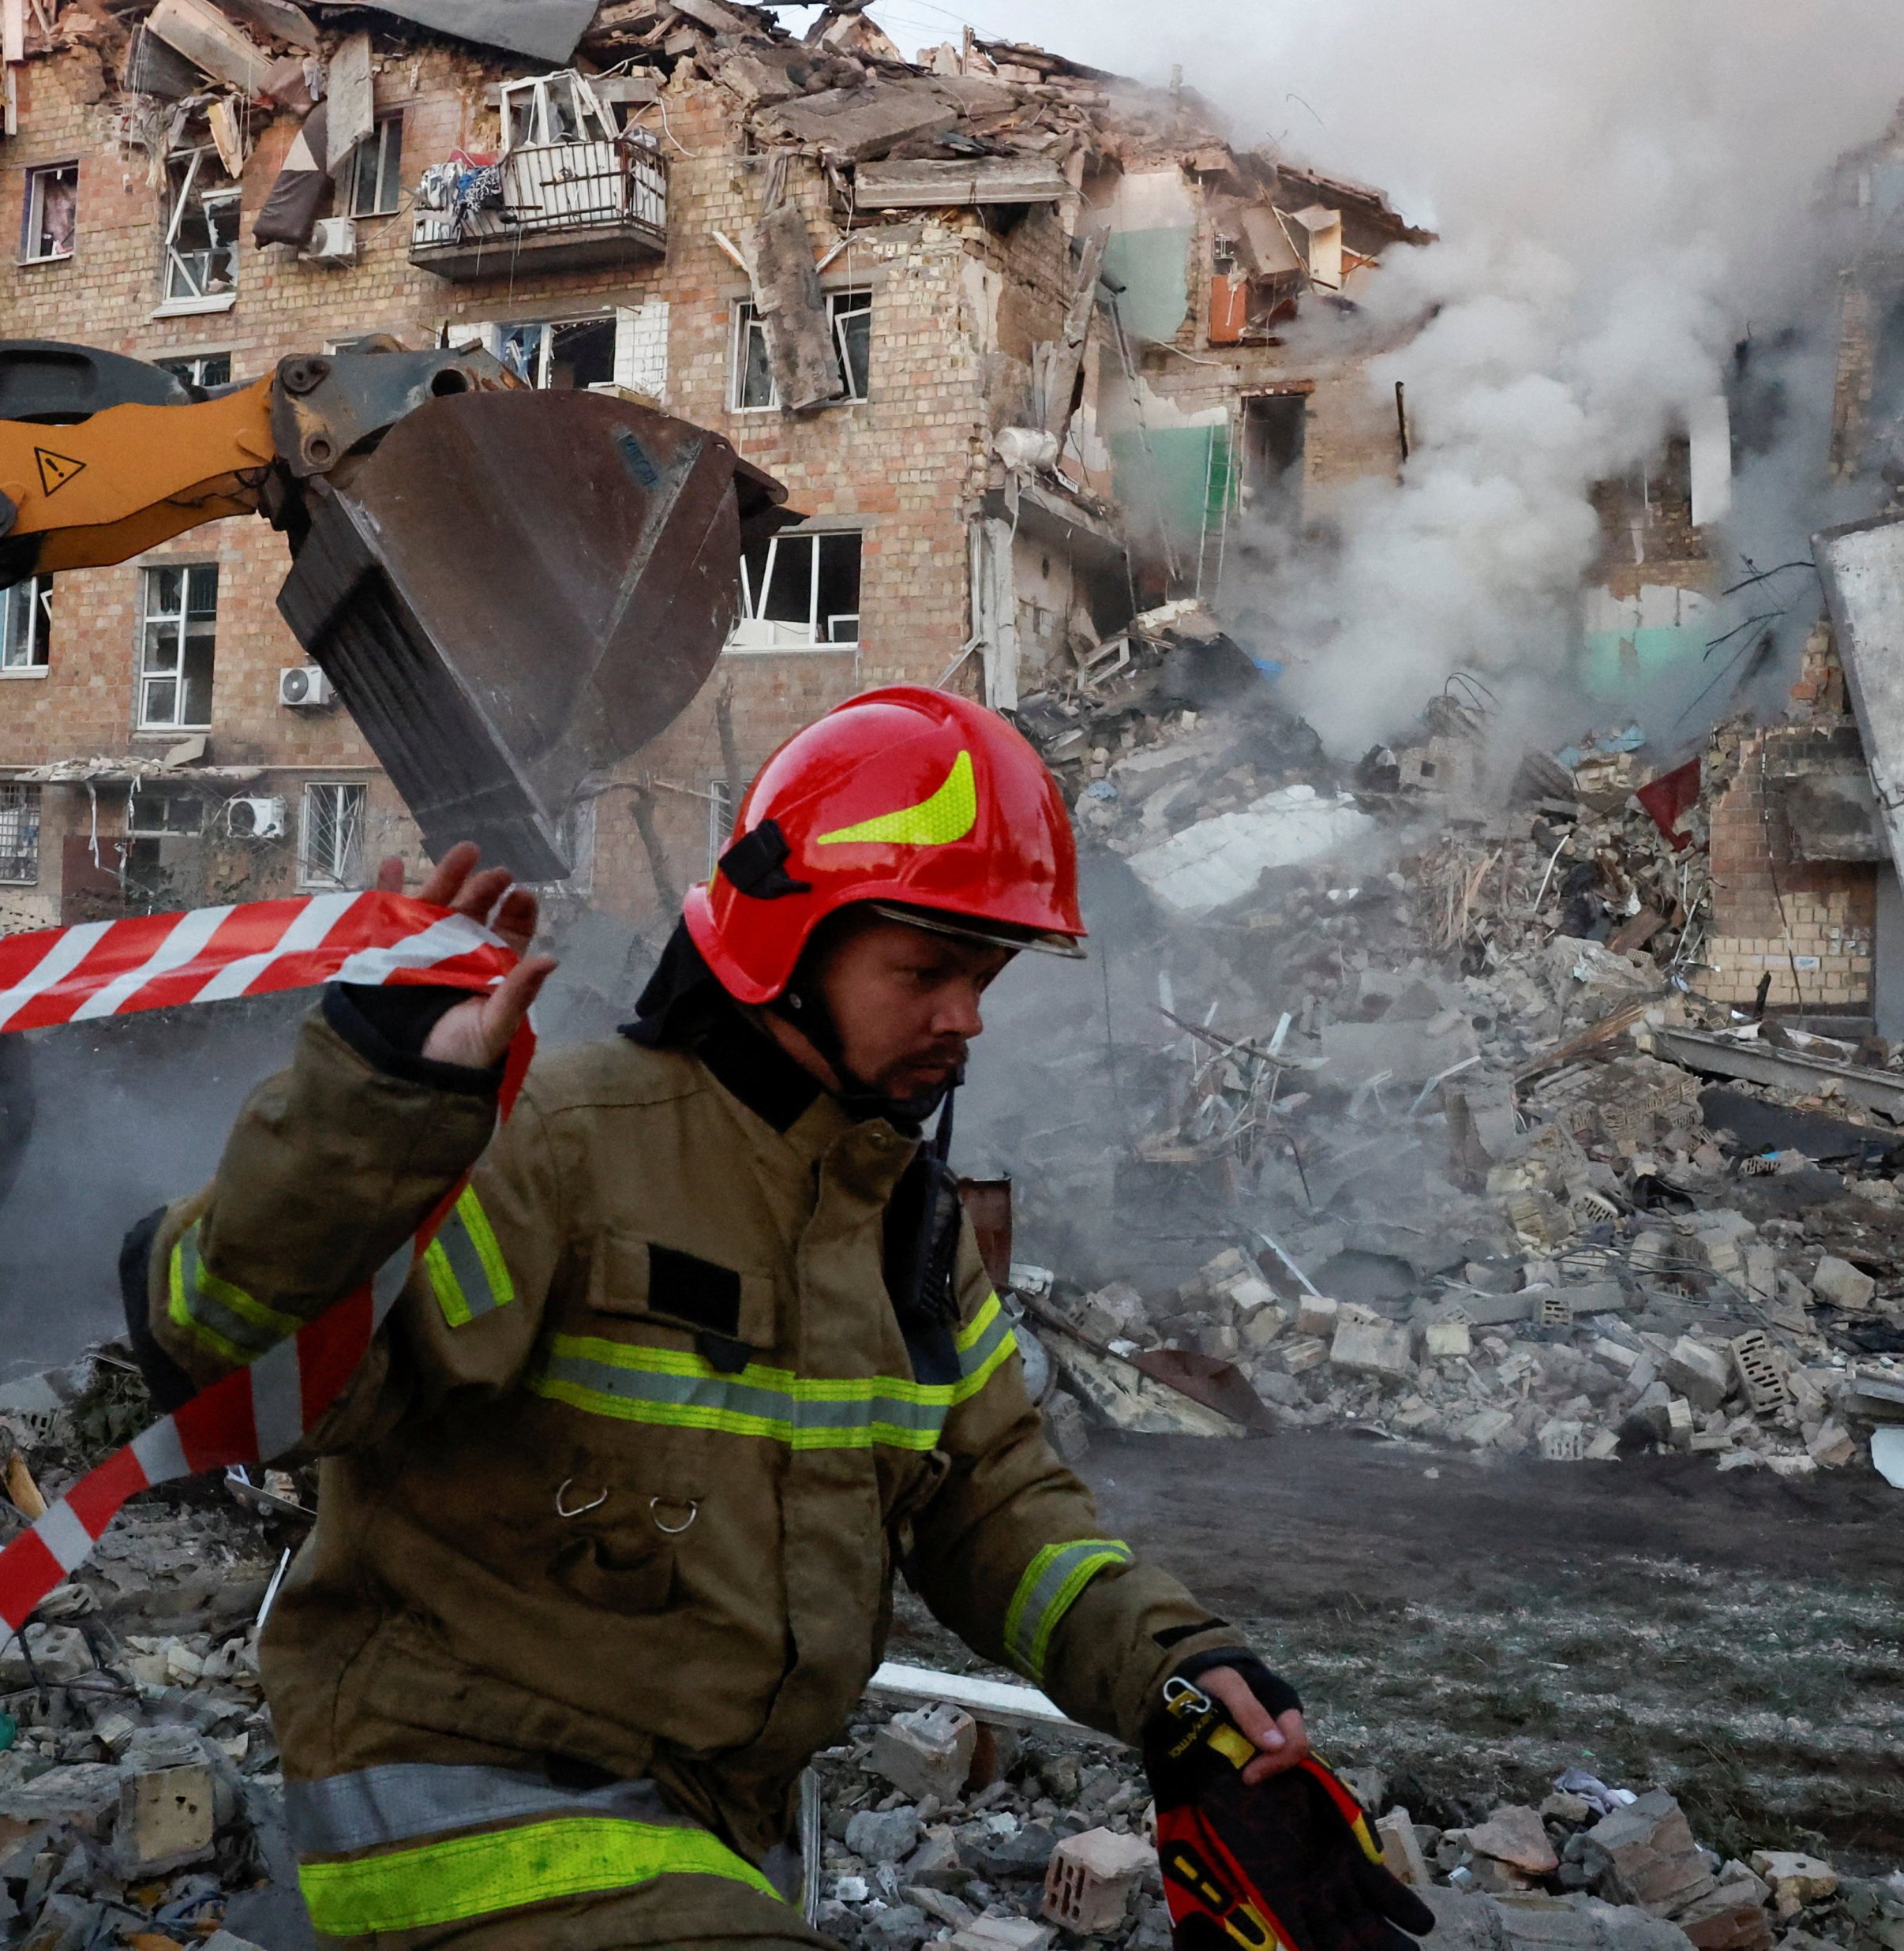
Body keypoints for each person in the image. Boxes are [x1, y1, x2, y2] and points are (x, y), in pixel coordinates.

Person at [126, 687, 1421, 1951]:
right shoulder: (560, 1143)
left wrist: (1172, 1678)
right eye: (924, 969)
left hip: (703, 1839)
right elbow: (252, 1381)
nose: (966, 1017)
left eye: (986, 974)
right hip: (465, 1810)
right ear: (784, 941)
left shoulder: (903, 1221)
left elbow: (992, 1507)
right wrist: (371, 1114)